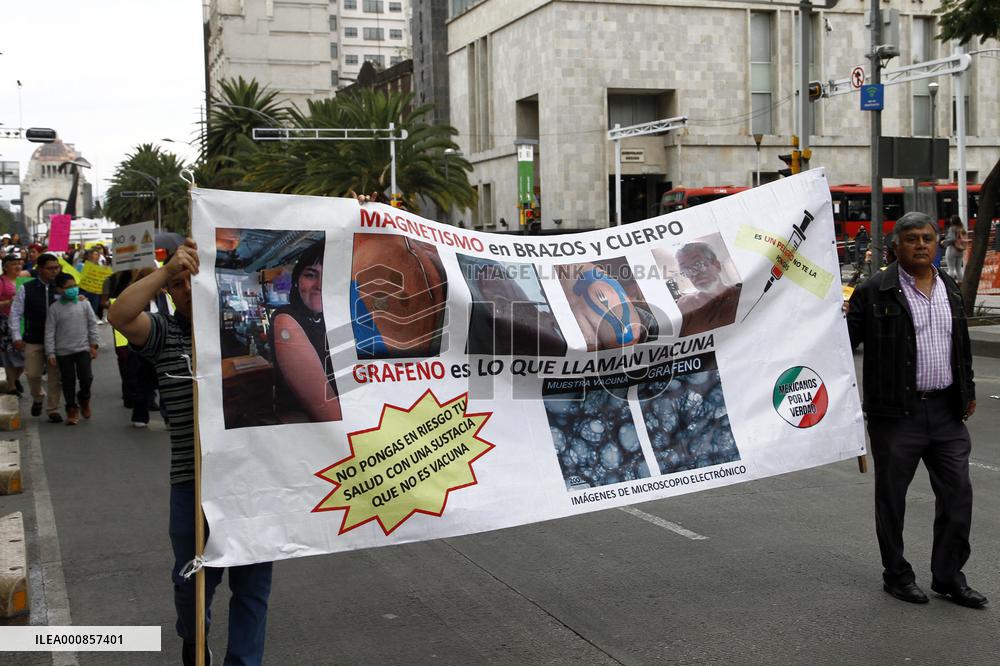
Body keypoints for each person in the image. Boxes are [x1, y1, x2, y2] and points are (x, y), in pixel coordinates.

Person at [108, 239, 273, 665]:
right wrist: (165, 270)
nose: (186, 289)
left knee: (252, 587)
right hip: (192, 483)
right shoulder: (164, 334)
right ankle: (193, 637)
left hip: (252, 482)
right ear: (168, 292)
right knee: (193, 582)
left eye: (192, 280)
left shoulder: (245, 330)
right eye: (177, 285)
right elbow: (120, 314)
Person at [846, 212, 986, 608]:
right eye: (912, 239)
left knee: (958, 496)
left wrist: (968, 390)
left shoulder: (950, 288)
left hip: (946, 412)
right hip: (896, 415)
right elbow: (839, 347)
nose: (921, 244)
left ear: (937, 244)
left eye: (928, 237)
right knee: (892, 499)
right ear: (895, 247)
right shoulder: (874, 291)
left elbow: (961, 346)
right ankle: (897, 575)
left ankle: (948, 576)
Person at [268, 240, 342, 423]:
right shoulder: (285, 320)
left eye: (330, 276)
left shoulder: (335, 317)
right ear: (296, 281)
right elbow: (327, 411)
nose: (320, 285)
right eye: (311, 275)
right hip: (310, 435)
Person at [9, 252, 64, 422]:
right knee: (32, 374)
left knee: (56, 376)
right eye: (50, 268)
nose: (54, 271)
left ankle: (53, 408)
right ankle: (38, 396)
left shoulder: (62, 287)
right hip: (33, 338)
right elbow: (15, 313)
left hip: (57, 340)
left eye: (57, 268)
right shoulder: (27, 288)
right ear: (39, 269)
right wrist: (16, 336)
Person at [44, 273, 99, 425]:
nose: (73, 289)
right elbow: (49, 331)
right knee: (68, 381)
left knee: (87, 377)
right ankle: (71, 409)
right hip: (63, 352)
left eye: (75, 286)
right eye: (69, 287)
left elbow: (92, 324)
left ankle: (84, 398)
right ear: (60, 290)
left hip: (83, 349)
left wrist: (94, 345)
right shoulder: (54, 309)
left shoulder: (84, 304)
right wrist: (51, 352)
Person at [674, 242, 742, 336]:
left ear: (717, 265)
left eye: (698, 264)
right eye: (686, 270)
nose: (694, 274)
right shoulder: (686, 304)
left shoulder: (741, 293)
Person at [0, 254, 25, 395]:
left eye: (19, 263)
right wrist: (8, 302)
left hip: (23, 322)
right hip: (6, 322)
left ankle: (15, 379)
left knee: (25, 355)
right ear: (5, 267)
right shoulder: (2, 282)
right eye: (14, 264)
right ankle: (12, 386)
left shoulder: (24, 281)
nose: (17, 266)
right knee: (10, 354)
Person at [942, 215, 968, 283]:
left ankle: (950, 284)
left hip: (952, 249)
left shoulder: (952, 228)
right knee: (959, 269)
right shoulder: (962, 228)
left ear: (952, 221)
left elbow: (952, 239)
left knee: (951, 269)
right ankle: (961, 284)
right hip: (960, 250)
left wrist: (944, 241)